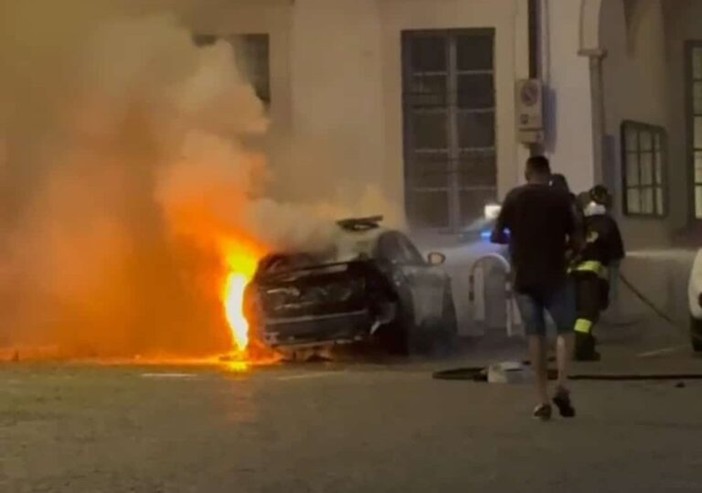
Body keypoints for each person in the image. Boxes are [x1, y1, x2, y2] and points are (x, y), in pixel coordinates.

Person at [491, 156, 582, 421]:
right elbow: (577, 239)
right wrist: (567, 254)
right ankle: (563, 384)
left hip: (524, 277)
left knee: (535, 334)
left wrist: (517, 239)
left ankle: (541, 399)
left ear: (527, 173)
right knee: (566, 329)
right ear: (548, 173)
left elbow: (497, 235)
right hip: (555, 274)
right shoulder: (561, 198)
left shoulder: (514, 197)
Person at [570, 186, 625, 361]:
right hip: (591, 277)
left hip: (570, 276)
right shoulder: (607, 223)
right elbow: (616, 253)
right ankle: (580, 347)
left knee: (578, 313)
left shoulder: (578, 223)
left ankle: (583, 344)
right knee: (588, 314)